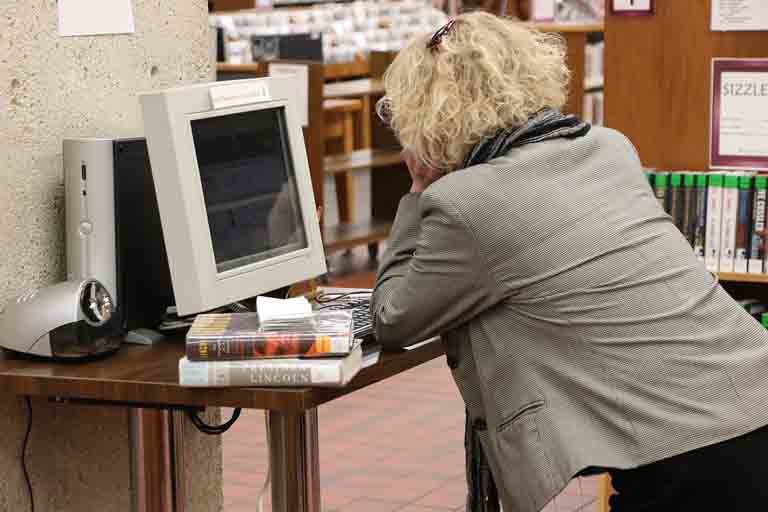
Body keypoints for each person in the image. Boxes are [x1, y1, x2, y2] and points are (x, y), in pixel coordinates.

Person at [371, 11, 768, 512]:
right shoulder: (607, 146)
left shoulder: (465, 203)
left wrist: (417, 190)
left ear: (426, 110)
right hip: (752, 396)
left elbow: (393, 320)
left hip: (692, 457)